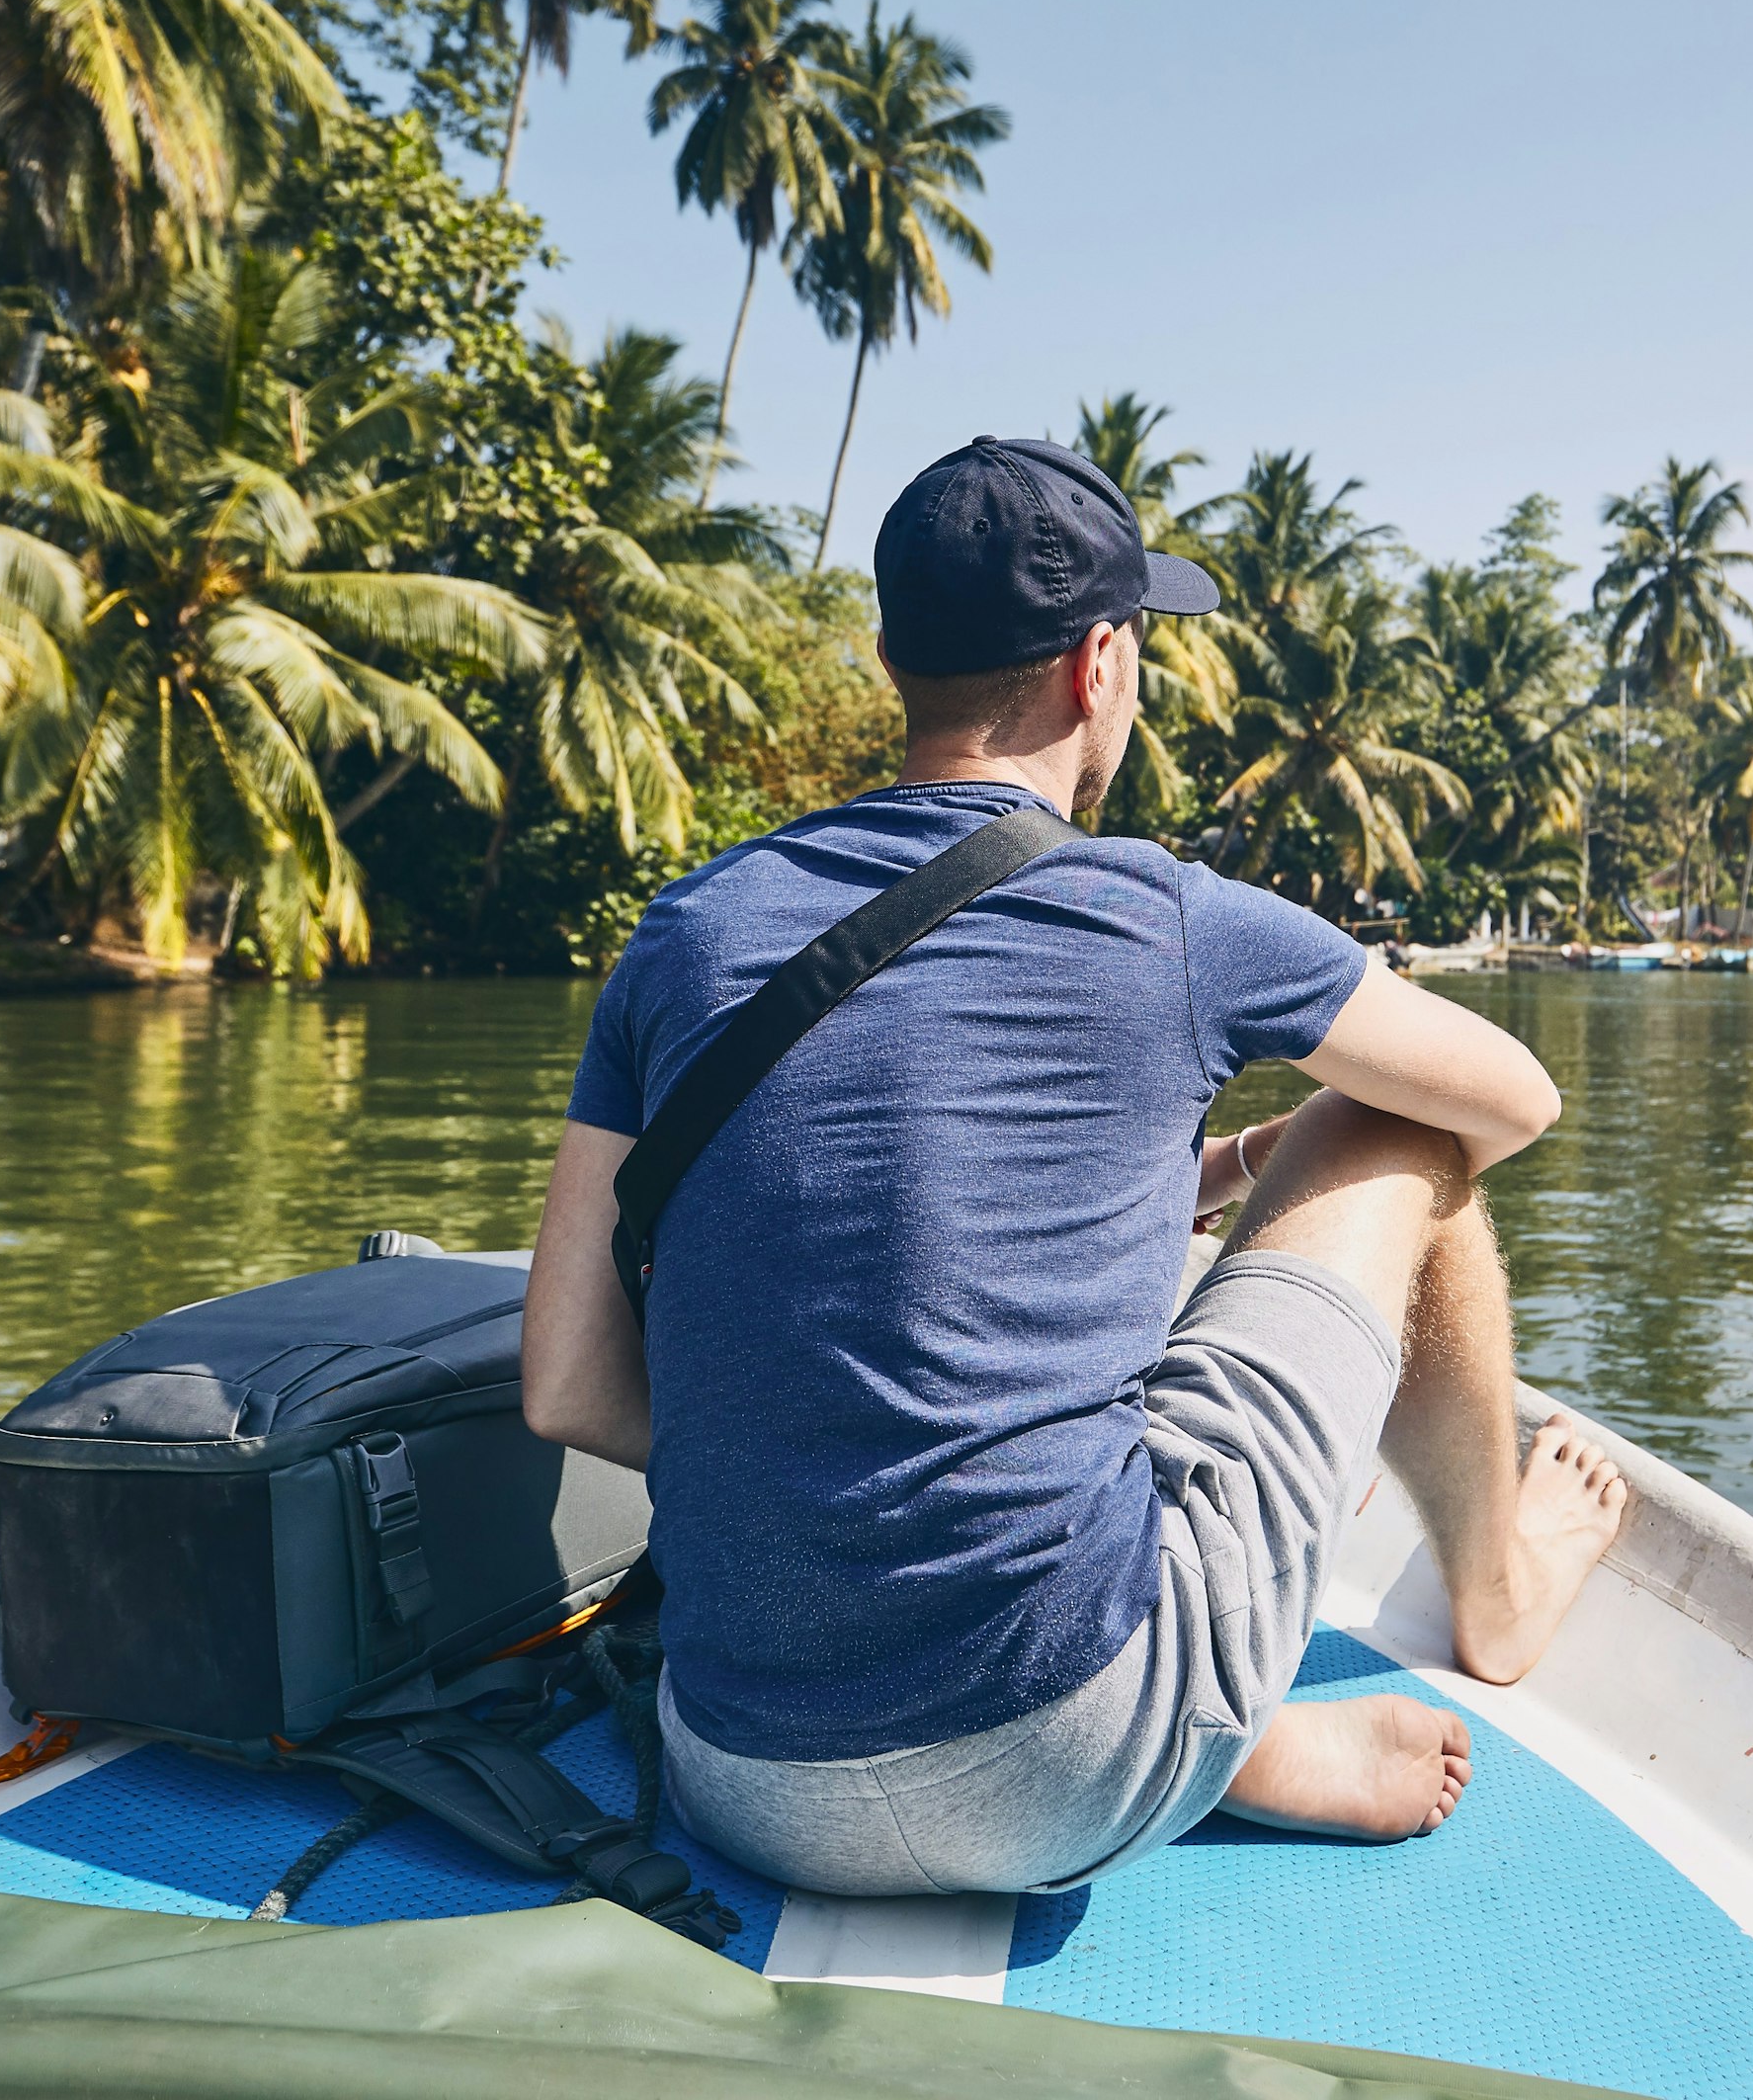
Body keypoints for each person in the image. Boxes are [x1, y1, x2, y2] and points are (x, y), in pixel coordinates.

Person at [521, 433, 1627, 1897]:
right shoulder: (1165, 914)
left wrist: (1215, 1169)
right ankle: (1490, 1592)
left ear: (892, 657)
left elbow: (570, 1386)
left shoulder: (686, 930)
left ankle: (1214, 1732)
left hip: (739, 1778)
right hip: (1070, 1745)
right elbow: (1514, 1101)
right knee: (1403, 1122)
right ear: (1098, 665)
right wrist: (1300, 1197)